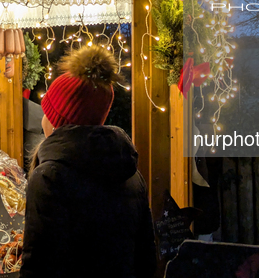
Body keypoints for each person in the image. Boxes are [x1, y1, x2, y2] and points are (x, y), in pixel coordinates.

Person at [20, 46, 157, 278]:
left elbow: (37, 265)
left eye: (47, 111)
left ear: (57, 122)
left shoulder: (48, 177)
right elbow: (146, 258)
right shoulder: (131, 174)